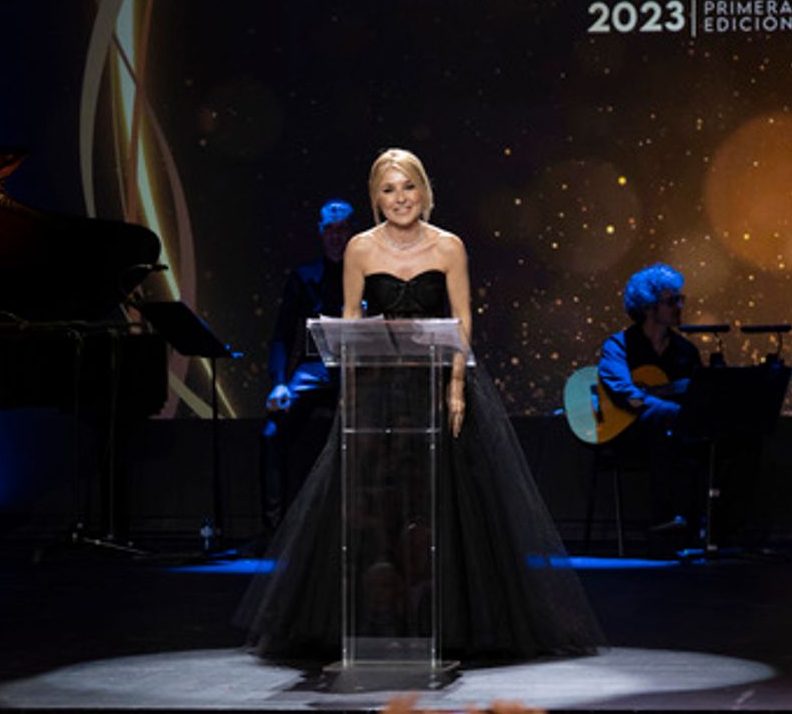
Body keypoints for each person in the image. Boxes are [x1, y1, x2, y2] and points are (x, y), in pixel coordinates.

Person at [237, 148, 601, 660]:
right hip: (380, 388)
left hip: (436, 386)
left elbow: (463, 318)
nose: (399, 198)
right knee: (375, 500)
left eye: (407, 187)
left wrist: (455, 387)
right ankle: (371, 620)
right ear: (374, 198)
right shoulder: (361, 249)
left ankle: (452, 622)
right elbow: (347, 319)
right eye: (388, 190)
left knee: (449, 503)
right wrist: (357, 374)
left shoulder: (449, 246)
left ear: (424, 191)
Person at [261, 199, 354, 531]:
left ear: (351, 232)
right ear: (320, 232)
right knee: (273, 430)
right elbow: (281, 335)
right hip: (313, 370)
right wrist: (279, 382)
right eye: (329, 229)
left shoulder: (366, 275)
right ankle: (276, 529)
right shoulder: (304, 277)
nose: (335, 236)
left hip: (356, 371)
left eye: (341, 228)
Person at [596, 264, 702, 537]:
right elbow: (626, 395)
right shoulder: (619, 346)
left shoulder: (685, 351)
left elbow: (700, 398)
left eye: (680, 299)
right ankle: (665, 523)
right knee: (663, 433)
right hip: (628, 434)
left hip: (674, 434)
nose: (679, 306)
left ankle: (706, 526)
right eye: (671, 301)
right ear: (648, 307)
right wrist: (675, 411)